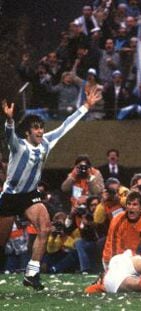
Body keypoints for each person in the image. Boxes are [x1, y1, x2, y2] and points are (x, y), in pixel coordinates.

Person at [0, 87, 101, 290]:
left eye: (41, 127)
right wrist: (10, 121)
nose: (40, 131)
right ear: (27, 131)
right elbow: (9, 135)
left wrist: (86, 107)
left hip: (29, 196)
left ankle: (31, 274)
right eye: (36, 128)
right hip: (10, 197)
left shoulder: (46, 143)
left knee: (45, 228)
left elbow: (65, 126)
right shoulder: (18, 145)